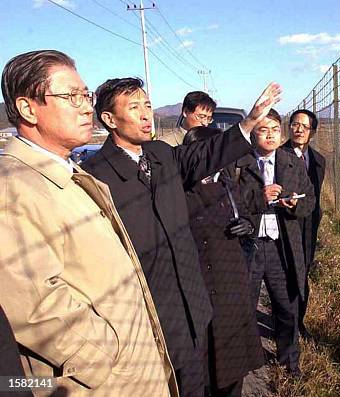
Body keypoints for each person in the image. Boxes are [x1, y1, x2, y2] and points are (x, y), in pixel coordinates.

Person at [81, 77, 280, 396]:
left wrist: (250, 121)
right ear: (108, 119)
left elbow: (206, 154)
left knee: (200, 381)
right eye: (134, 108)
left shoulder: (160, 154)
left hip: (193, 302)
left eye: (147, 105)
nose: (146, 114)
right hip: (149, 312)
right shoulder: (95, 176)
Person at [0, 50, 177, 396]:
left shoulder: (68, 172)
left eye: (86, 95)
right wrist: (104, 355)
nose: (85, 107)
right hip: (100, 382)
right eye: (72, 96)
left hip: (130, 371)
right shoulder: (13, 186)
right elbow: (32, 304)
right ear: (27, 108)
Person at [183, 126, 264, 397]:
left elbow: (248, 215)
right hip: (199, 289)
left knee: (232, 367)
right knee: (202, 371)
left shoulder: (228, 186)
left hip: (231, 289)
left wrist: (247, 225)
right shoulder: (179, 192)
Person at [235, 108, 314, 376]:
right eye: (263, 129)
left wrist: (294, 205)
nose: (270, 135)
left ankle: (289, 363)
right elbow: (229, 203)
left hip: (282, 248)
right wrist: (259, 196)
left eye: (275, 130)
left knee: (287, 306)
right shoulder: (239, 164)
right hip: (249, 246)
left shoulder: (290, 162)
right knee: (245, 307)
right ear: (252, 133)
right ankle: (245, 362)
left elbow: (310, 202)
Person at [281, 109, 326, 339]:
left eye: (305, 127)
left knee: (304, 272)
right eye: (295, 125)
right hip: (287, 226)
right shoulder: (279, 156)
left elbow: (315, 197)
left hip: (309, 227)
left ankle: (299, 322)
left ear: (313, 132)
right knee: (287, 274)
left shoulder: (319, 161)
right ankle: (286, 325)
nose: (298, 130)